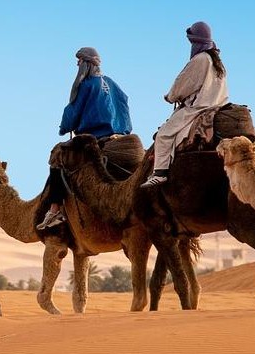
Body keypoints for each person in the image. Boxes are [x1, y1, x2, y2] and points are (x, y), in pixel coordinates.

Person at [36, 47, 132, 230]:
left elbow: (73, 110)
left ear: (86, 63)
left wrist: (64, 127)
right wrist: (124, 129)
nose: (77, 64)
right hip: (119, 136)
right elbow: (124, 102)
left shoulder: (86, 84)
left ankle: (55, 210)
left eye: (79, 61)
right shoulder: (111, 83)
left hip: (94, 137)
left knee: (57, 156)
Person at [141, 22, 229, 187]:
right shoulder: (217, 61)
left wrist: (171, 96)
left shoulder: (200, 59)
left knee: (164, 134)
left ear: (196, 41)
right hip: (219, 104)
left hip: (200, 107)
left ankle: (160, 172)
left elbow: (184, 84)